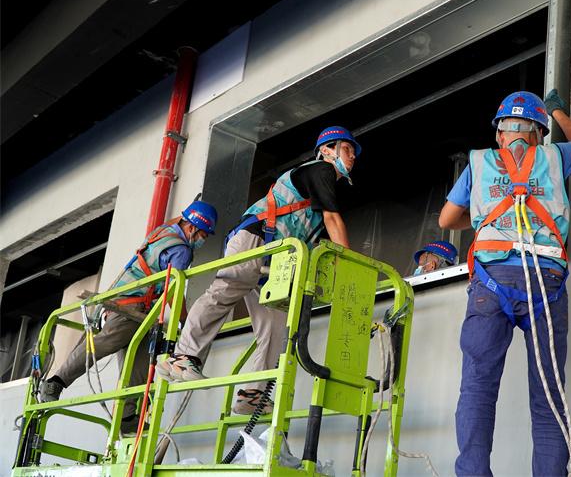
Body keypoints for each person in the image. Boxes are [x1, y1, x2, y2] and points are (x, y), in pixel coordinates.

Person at [439, 89, 571, 476]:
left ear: (499, 133)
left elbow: (446, 220)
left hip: (491, 283)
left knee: (478, 388)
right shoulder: (555, 156)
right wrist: (558, 112)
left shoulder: (479, 163)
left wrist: (484, 217)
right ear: (540, 133)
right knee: (548, 397)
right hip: (546, 283)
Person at [157, 126, 359, 416]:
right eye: (347, 149)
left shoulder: (318, 188)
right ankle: (183, 357)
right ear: (327, 150)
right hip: (255, 240)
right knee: (224, 293)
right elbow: (333, 220)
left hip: (274, 259)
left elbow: (320, 239)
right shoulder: (321, 170)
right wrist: (352, 265)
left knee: (276, 323)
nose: (353, 156)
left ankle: (253, 394)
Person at [39, 200, 218, 435]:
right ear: (192, 228)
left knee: (140, 363)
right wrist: (184, 322)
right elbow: (173, 290)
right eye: (203, 234)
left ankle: (126, 417)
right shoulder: (182, 251)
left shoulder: (163, 232)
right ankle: (56, 382)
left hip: (136, 309)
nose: (203, 240)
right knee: (107, 342)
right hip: (130, 306)